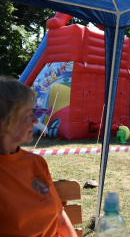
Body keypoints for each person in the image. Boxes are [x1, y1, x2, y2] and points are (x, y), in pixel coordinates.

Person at [0, 76, 77, 236]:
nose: (36, 120)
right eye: (28, 114)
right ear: (3, 122)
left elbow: (60, 219)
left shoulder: (36, 162)